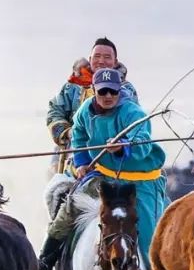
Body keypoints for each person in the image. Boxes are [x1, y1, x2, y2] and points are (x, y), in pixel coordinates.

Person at [39, 68, 168, 270]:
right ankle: (45, 262)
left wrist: (122, 147)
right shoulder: (84, 112)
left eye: (113, 92)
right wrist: (81, 164)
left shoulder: (133, 113)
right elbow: (78, 138)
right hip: (104, 175)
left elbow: (142, 142)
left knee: (147, 232)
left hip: (140, 179)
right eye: (103, 91)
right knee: (71, 205)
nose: (108, 96)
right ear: (95, 91)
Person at [46, 37, 138, 175]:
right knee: (57, 191)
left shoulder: (125, 89)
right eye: (97, 56)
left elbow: (133, 122)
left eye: (107, 57)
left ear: (115, 62)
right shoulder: (72, 86)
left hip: (110, 152)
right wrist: (68, 132)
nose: (101, 61)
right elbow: (55, 110)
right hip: (72, 151)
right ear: (90, 59)